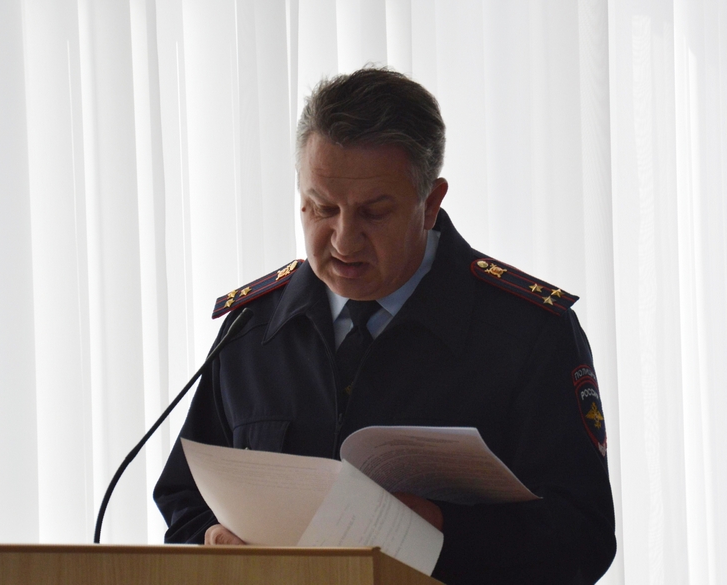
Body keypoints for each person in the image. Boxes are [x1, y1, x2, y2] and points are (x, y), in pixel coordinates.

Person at [154, 67, 616, 584]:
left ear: (430, 203)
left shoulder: (527, 333)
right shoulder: (253, 327)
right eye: (322, 208)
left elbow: (583, 539)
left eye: (373, 213)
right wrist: (211, 540)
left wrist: (438, 529)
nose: (343, 241)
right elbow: (183, 497)